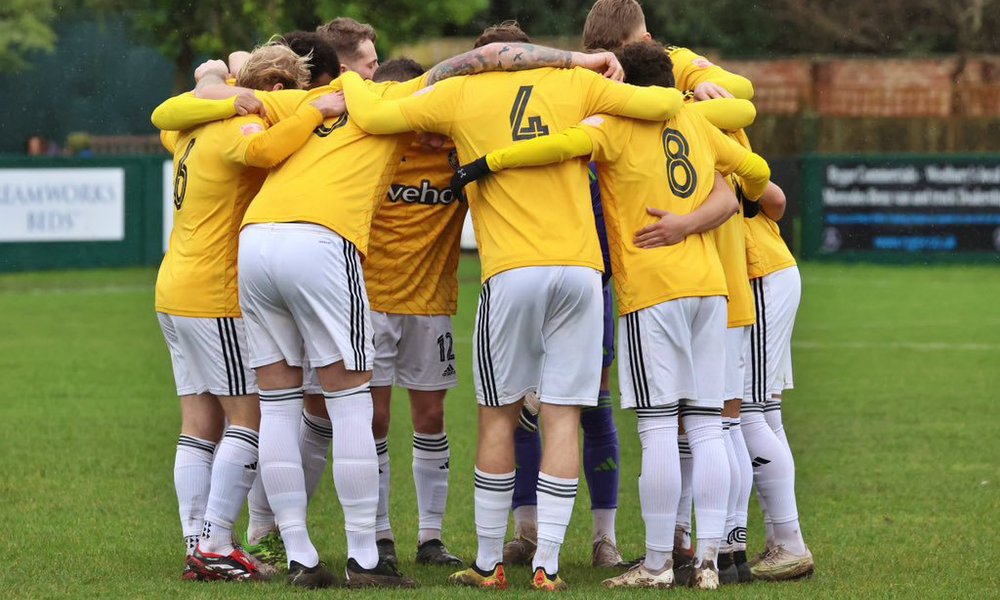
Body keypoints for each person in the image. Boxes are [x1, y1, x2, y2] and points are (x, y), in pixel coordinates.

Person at [156, 37, 630, 589]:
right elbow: (485, 57)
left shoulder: (306, 101)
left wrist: (220, 81)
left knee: (279, 405)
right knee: (351, 405)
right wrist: (577, 59)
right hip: (322, 241)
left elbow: (173, 110)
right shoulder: (389, 102)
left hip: (256, 242)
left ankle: (299, 554)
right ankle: (365, 556)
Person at [341, 45, 685, 591]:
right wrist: (697, 82)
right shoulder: (575, 83)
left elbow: (371, 114)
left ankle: (487, 564)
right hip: (580, 272)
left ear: (487, 57)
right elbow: (663, 104)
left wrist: (349, 81)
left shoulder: (461, 90)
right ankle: (548, 564)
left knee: (498, 417)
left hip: (512, 270)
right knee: (563, 416)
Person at [446, 41, 770, 590]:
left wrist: (487, 162)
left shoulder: (613, 127)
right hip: (711, 288)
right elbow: (755, 172)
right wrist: (709, 215)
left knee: (658, 426)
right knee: (708, 427)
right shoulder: (695, 120)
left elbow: (556, 146)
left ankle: (658, 564)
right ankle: (709, 563)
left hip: (652, 289)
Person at [151, 42, 344, 582]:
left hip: (173, 287)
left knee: (198, 424)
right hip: (214, 292)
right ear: (276, 91)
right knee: (250, 417)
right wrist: (313, 112)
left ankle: (198, 543)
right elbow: (262, 151)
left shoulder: (192, 125)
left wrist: (216, 79)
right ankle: (215, 543)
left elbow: (171, 115)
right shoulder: (241, 126)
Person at [740, 140, 815, 581]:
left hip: (761, 274)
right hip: (769, 271)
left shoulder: (708, 129)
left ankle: (789, 542)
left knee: (748, 412)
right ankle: (781, 541)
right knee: (766, 412)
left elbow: (777, 200)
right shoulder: (719, 126)